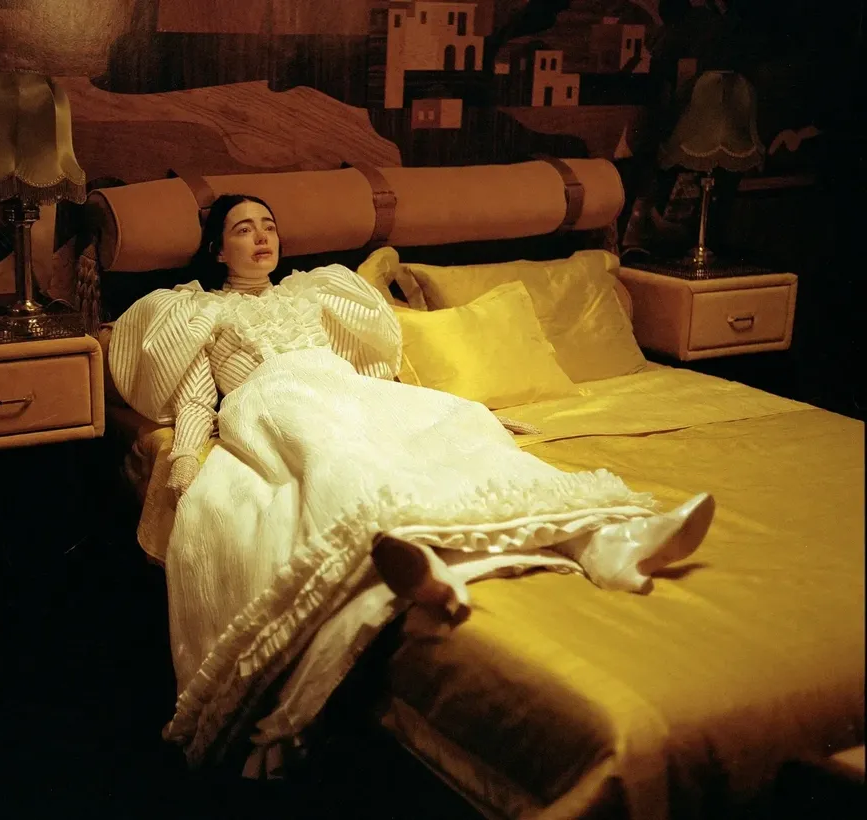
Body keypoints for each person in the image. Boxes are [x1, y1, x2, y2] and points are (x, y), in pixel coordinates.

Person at [109, 194, 715, 761]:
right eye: (243, 230)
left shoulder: (312, 294)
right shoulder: (204, 313)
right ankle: (426, 558)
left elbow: (368, 375)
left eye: (268, 226)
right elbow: (195, 400)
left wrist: (440, 411)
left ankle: (608, 544)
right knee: (340, 459)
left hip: (341, 389)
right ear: (218, 250)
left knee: (462, 424)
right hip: (273, 403)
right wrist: (183, 459)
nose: (261, 237)